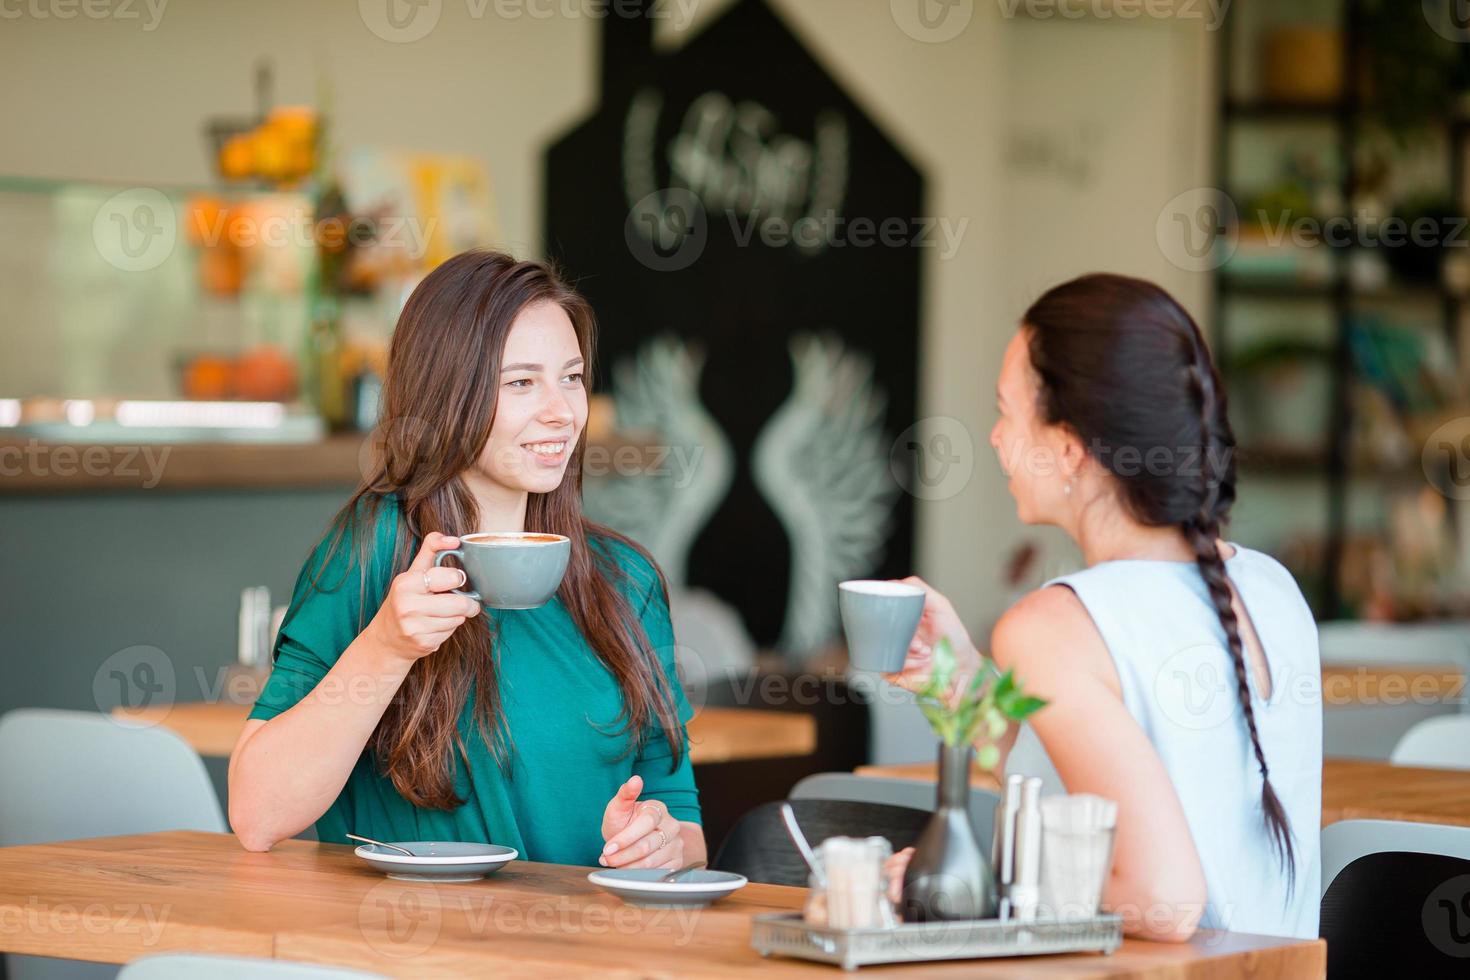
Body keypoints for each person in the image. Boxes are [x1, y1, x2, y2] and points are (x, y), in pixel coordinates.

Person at [228, 250, 704, 872]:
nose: (562, 411)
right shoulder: (373, 554)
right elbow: (259, 816)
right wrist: (387, 647)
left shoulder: (626, 582)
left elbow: (685, 827)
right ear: (446, 393)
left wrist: (658, 842)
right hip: (404, 951)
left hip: (580, 955)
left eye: (572, 377)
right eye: (520, 382)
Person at [888, 273, 1322, 941]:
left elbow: (1163, 900)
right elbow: (1097, 784)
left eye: (1007, 411)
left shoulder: (1053, 627)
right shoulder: (1273, 589)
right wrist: (957, 679)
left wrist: (980, 895)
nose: (996, 438)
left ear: (1069, 447)